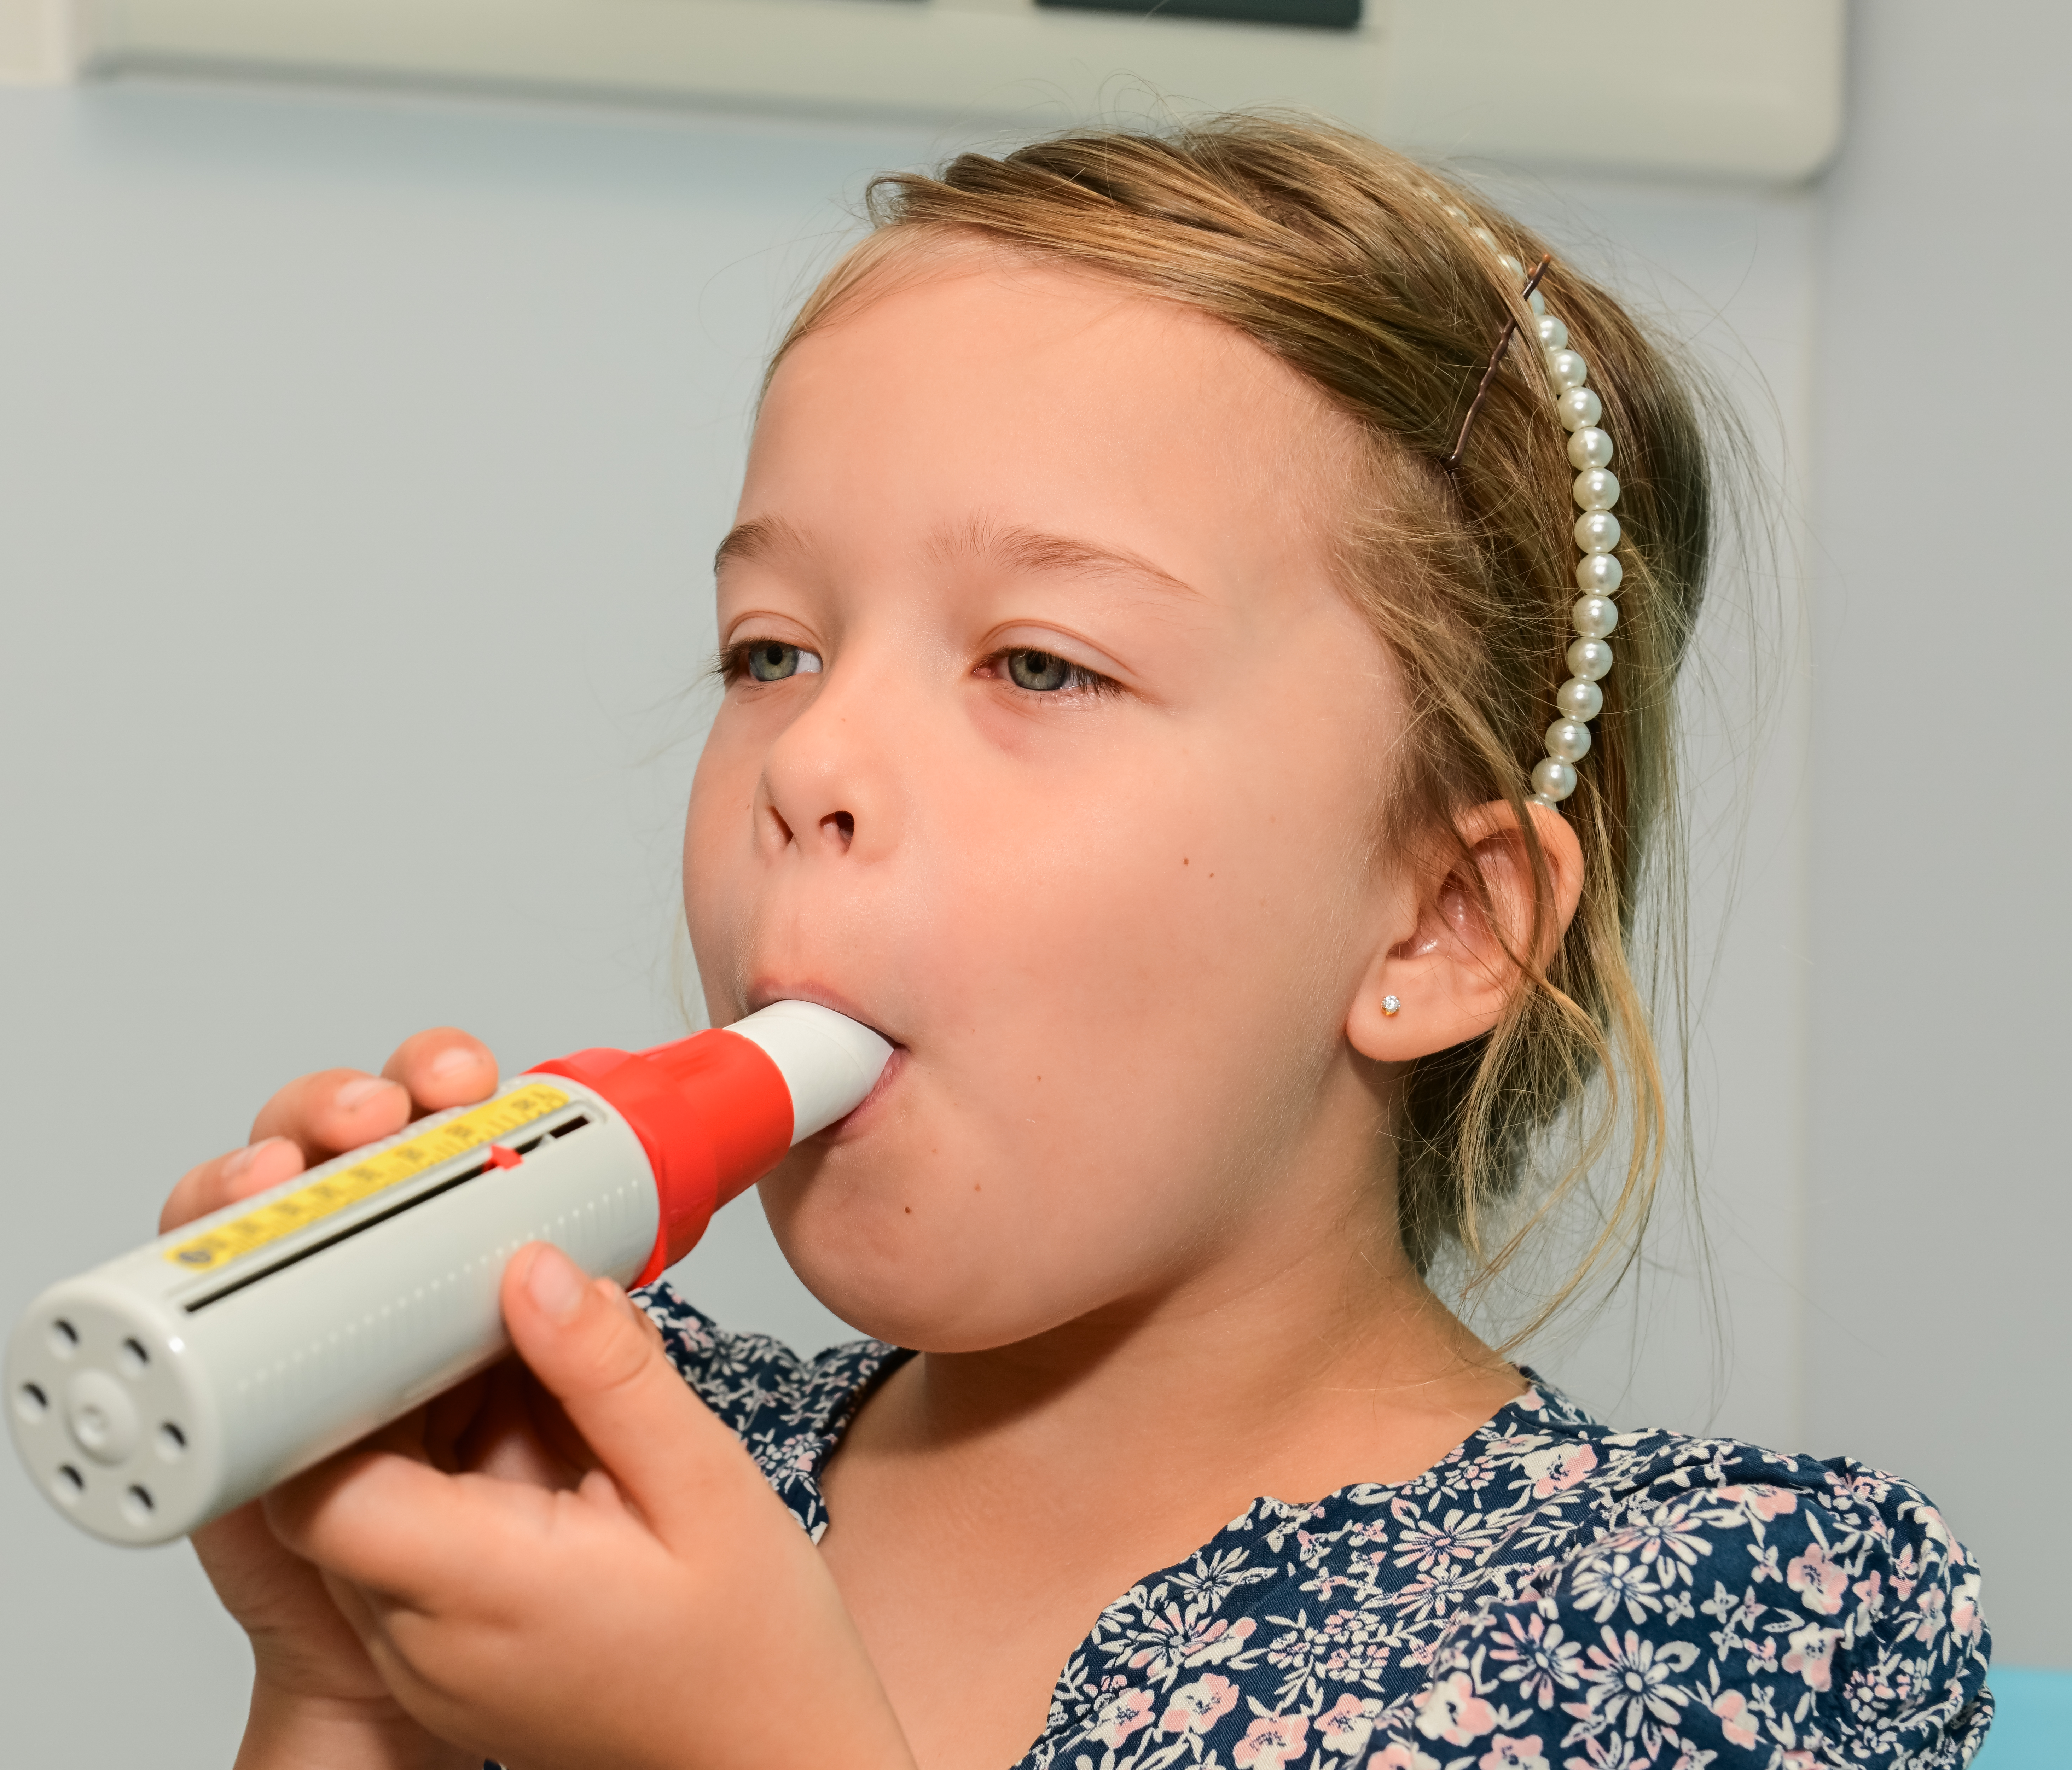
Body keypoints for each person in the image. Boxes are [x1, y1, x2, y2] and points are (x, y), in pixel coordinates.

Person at [157, 119, 1991, 1770]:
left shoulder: (1719, 1633)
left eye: (1039, 662)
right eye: (771, 650)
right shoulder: (617, 1481)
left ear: (1441, 920)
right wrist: (344, 1699)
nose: (812, 761)